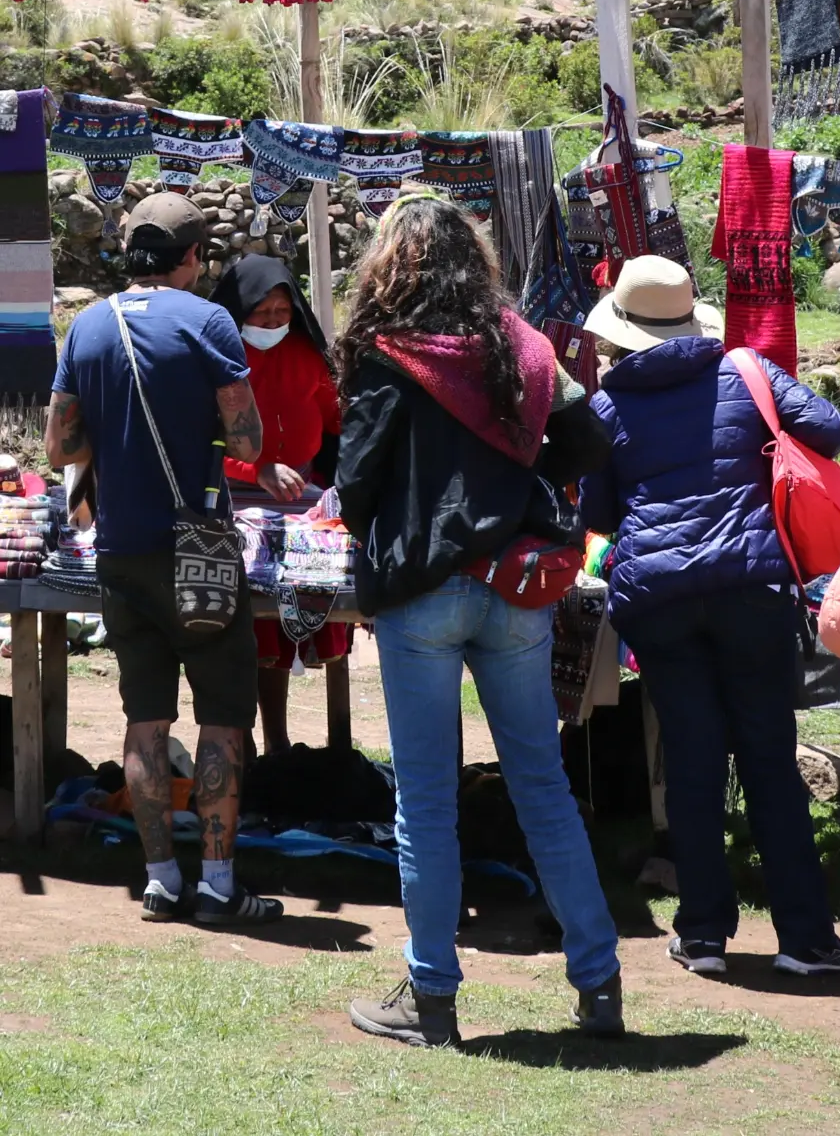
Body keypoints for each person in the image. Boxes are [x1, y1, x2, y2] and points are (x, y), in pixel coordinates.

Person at [334, 194, 623, 1050]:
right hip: (515, 589)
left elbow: (353, 485)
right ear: (475, 261)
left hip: (423, 595)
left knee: (424, 800)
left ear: (393, 263)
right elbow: (589, 442)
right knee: (544, 787)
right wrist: (520, 482)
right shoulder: (524, 350)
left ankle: (432, 1002)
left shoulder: (387, 353)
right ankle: (599, 987)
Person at [579, 254, 840, 981]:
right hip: (750, 588)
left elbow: (599, 513)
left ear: (622, 331)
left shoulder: (608, 406)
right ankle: (806, 937)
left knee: (694, 762)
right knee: (769, 757)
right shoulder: (746, 372)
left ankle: (703, 933)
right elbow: (829, 428)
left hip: (660, 598)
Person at [44, 194, 283, 927]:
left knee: (144, 721)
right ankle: (216, 884)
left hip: (120, 549)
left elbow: (58, 447)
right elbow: (247, 443)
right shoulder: (207, 321)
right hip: (197, 550)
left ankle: (158, 880)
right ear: (191, 257)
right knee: (220, 721)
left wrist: (114, 446)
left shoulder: (87, 325)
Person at [211, 254, 346, 753]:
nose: (272, 322)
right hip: (235, 500)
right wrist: (256, 470)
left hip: (301, 500)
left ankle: (279, 743)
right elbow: (202, 438)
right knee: (247, 626)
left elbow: (335, 418)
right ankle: (241, 743)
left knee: (283, 623)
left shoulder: (309, 355)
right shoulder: (218, 359)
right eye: (261, 312)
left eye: (281, 311)